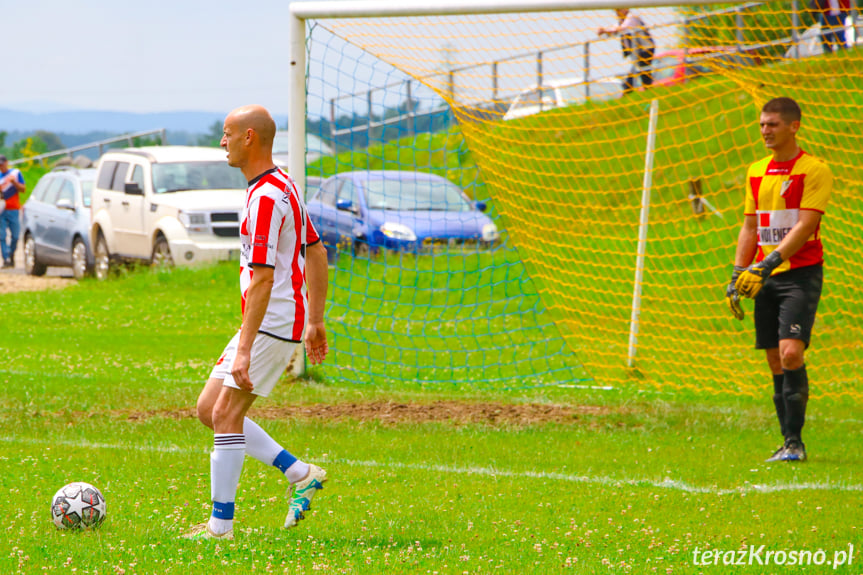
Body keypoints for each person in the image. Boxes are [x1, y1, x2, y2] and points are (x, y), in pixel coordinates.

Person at [184, 105, 330, 540]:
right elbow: (316, 252)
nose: (222, 142)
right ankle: (301, 473)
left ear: (250, 137)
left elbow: (265, 278)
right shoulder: (281, 185)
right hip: (274, 319)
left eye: (227, 134)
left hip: (271, 321)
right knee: (209, 410)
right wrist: (317, 320)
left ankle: (219, 528)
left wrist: (245, 347)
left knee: (226, 415)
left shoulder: (267, 197)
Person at [726, 97, 832, 463]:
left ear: (793, 127)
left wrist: (768, 262)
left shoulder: (814, 170)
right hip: (763, 275)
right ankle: (787, 440)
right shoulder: (756, 170)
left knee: (791, 352)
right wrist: (739, 274)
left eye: (772, 125)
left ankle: (796, 443)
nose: (765, 131)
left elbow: (805, 225)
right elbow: (750, 225)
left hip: (799, 274)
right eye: (761, 125)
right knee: (774, 358)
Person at [598, 8, 655, 94]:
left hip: (646, 48)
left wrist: (606, 30)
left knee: (643, 69)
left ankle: (629, 89)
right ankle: (635, 89)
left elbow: (623, 28)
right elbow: (615, 29)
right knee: (641, 70)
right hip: (638, 51)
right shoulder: (622, 21)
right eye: (616, 11)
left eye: (619, 10)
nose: (617, 13)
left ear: (625, 9)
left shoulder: (632, 17)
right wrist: (603, 32)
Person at [0, 155, 26, 268]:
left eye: (2, 163)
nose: (1, 166)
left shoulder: (15, 173)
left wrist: (14, 183)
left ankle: (11, 254)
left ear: (7, 162)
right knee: (2, 235)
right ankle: (6, 258)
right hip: (1, 210)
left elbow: (23, 189)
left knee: (15, 236)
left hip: (14, 209)